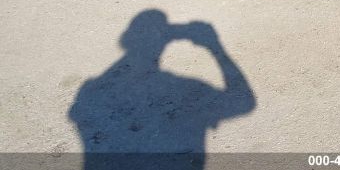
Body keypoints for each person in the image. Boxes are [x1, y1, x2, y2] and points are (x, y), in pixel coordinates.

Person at [69, 10, 256, 169]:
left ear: (126, 39)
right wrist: (214, 45)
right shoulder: (186, 87)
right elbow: (245, 103)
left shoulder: (89, 91)